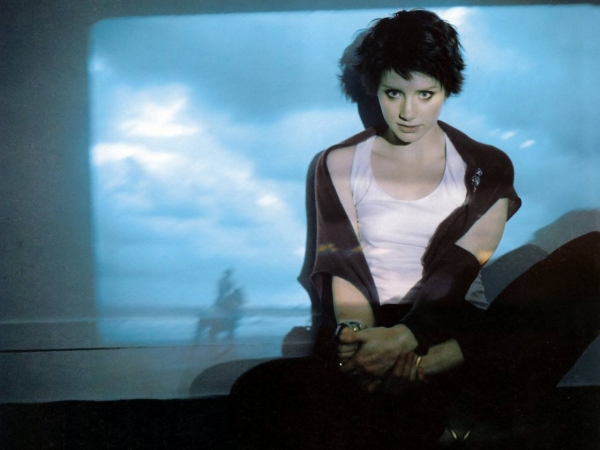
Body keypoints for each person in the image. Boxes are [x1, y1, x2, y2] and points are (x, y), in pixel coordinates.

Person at [230, 9, 600, 449]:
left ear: (447, 88)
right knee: (255, 391)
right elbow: (342, 265)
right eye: (394, 93)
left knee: (592, 253)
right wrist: (360, 342)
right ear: (373, 87)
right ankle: (435, 416)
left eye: (426, 94)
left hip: (459, 333)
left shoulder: (487, 165)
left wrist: (411, 344)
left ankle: (429, 382)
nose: (408, 112)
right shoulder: (338, 163)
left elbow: (461, 268)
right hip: (377, 326)